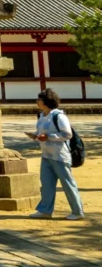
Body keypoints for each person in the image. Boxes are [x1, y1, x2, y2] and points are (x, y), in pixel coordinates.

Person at [29, 88, 85, 220]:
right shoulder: (42, 116)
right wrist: (37, 136)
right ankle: (45, 210)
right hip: (47, 154)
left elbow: (67, 134)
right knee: (47, 184)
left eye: (39, 99)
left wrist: (48, 136)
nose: (37, 101)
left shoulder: (59, 116)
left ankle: (78, 211)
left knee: (67, 183)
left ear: (46, 101)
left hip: (60, 155)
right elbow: (42, 133)